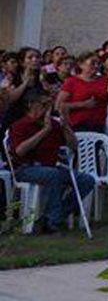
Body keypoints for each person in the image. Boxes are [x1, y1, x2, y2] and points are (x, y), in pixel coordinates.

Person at [5, 90, 93, 234]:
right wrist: (44, 131)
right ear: (31, 105)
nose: (48, 108)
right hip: (26, 168)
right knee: (52, 175)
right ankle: (52, 223)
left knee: (86, 180)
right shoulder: (20, 125)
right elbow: (19, 151)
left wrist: (66, 127)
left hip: (52, 167)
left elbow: (74, 146)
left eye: (50, 104)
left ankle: (51, 217)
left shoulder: (54, 124)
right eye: (44, 104)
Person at [57, 50, 108, 135]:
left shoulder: (104, 80)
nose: (96, 66)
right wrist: (83, 104)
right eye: (92, 63)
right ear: (81, 65)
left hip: (99, 126)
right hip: (77, 126)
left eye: (98, 63)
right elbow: (59, 105)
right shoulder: (71, 81)